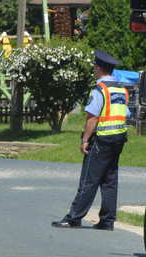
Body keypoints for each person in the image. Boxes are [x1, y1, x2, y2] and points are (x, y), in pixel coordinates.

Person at [52, 50, 129, 231]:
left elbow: (92, 117)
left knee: (89, 180)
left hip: (101, 141)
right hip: (118, 139)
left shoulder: (100, 89)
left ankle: (73, 218)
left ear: (100, 68)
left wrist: (85, 139)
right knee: (110, 181)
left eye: (95, 67)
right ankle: (107, 221)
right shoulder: (121, 89)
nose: (94, 69)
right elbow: (124, 114)